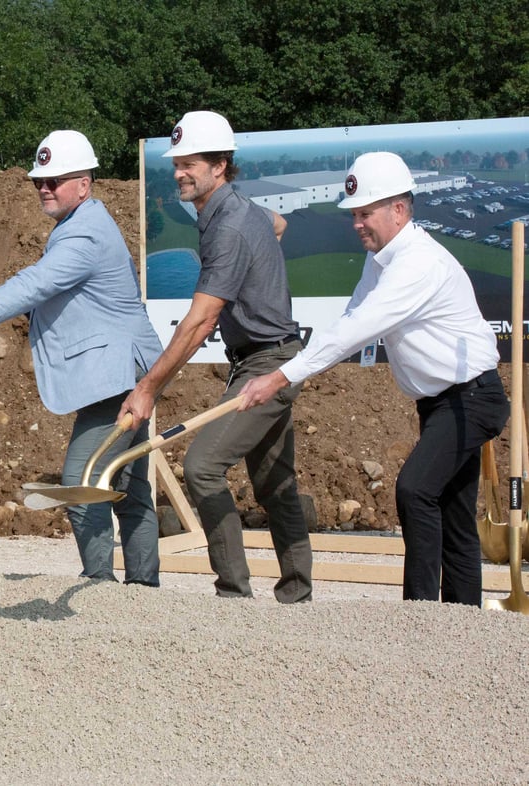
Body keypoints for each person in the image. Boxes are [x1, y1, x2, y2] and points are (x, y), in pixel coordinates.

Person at [239, 152, 509, 606]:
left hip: (472, 398)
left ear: (398, 210)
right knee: (455, 516)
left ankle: (420, 615)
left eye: (366, 213)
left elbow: (357, 330)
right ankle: (465, 624)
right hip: (441, 403)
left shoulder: (417, 263)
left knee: (415, 490)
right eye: (355, 215)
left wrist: (280, 376)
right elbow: (349, 319)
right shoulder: (382, 258)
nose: (357, 224)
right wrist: (294, 374)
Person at [0, 130, 165, 584]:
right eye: (39, 181)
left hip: (117, 374)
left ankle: (101, 588)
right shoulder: (81, 223)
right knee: (128, 486)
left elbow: (35, 283)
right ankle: (142, 590)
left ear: (84, 184)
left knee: (82, 479)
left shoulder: (84, 234)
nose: (44, 188)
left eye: (55, 180)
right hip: (121, 369)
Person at [118, 110, 313, 603]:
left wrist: (146, 389)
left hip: (268, 364)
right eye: (177, 163)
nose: (180, 171)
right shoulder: (235, 212)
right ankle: (298, 593)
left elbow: (200, 321)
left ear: (220, 165)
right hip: (270, 354)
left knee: (203, 467)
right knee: (274, 481)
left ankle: (233, 594)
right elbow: (280, 222)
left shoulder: (228, 227)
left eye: (191, 163)